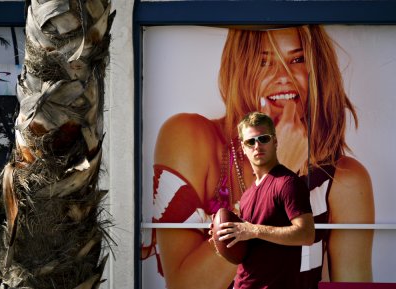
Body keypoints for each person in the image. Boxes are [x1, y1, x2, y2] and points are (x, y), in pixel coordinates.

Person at [144, 25, 374, 289]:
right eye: (263, 61)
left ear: (318, 72)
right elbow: (184, 285)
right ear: (239, 68)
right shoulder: (189, 138)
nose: (283, 75)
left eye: (297, 59)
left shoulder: (345, 181)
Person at [214, 111, 315, 289]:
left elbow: (306, 234)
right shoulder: (247, 195)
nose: (257, 145)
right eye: (250, 141)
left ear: (275, 142)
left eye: (264, 138)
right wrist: (224, 236)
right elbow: (249, 248)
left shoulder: (288, 183)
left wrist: (253, 230)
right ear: (243, 148)